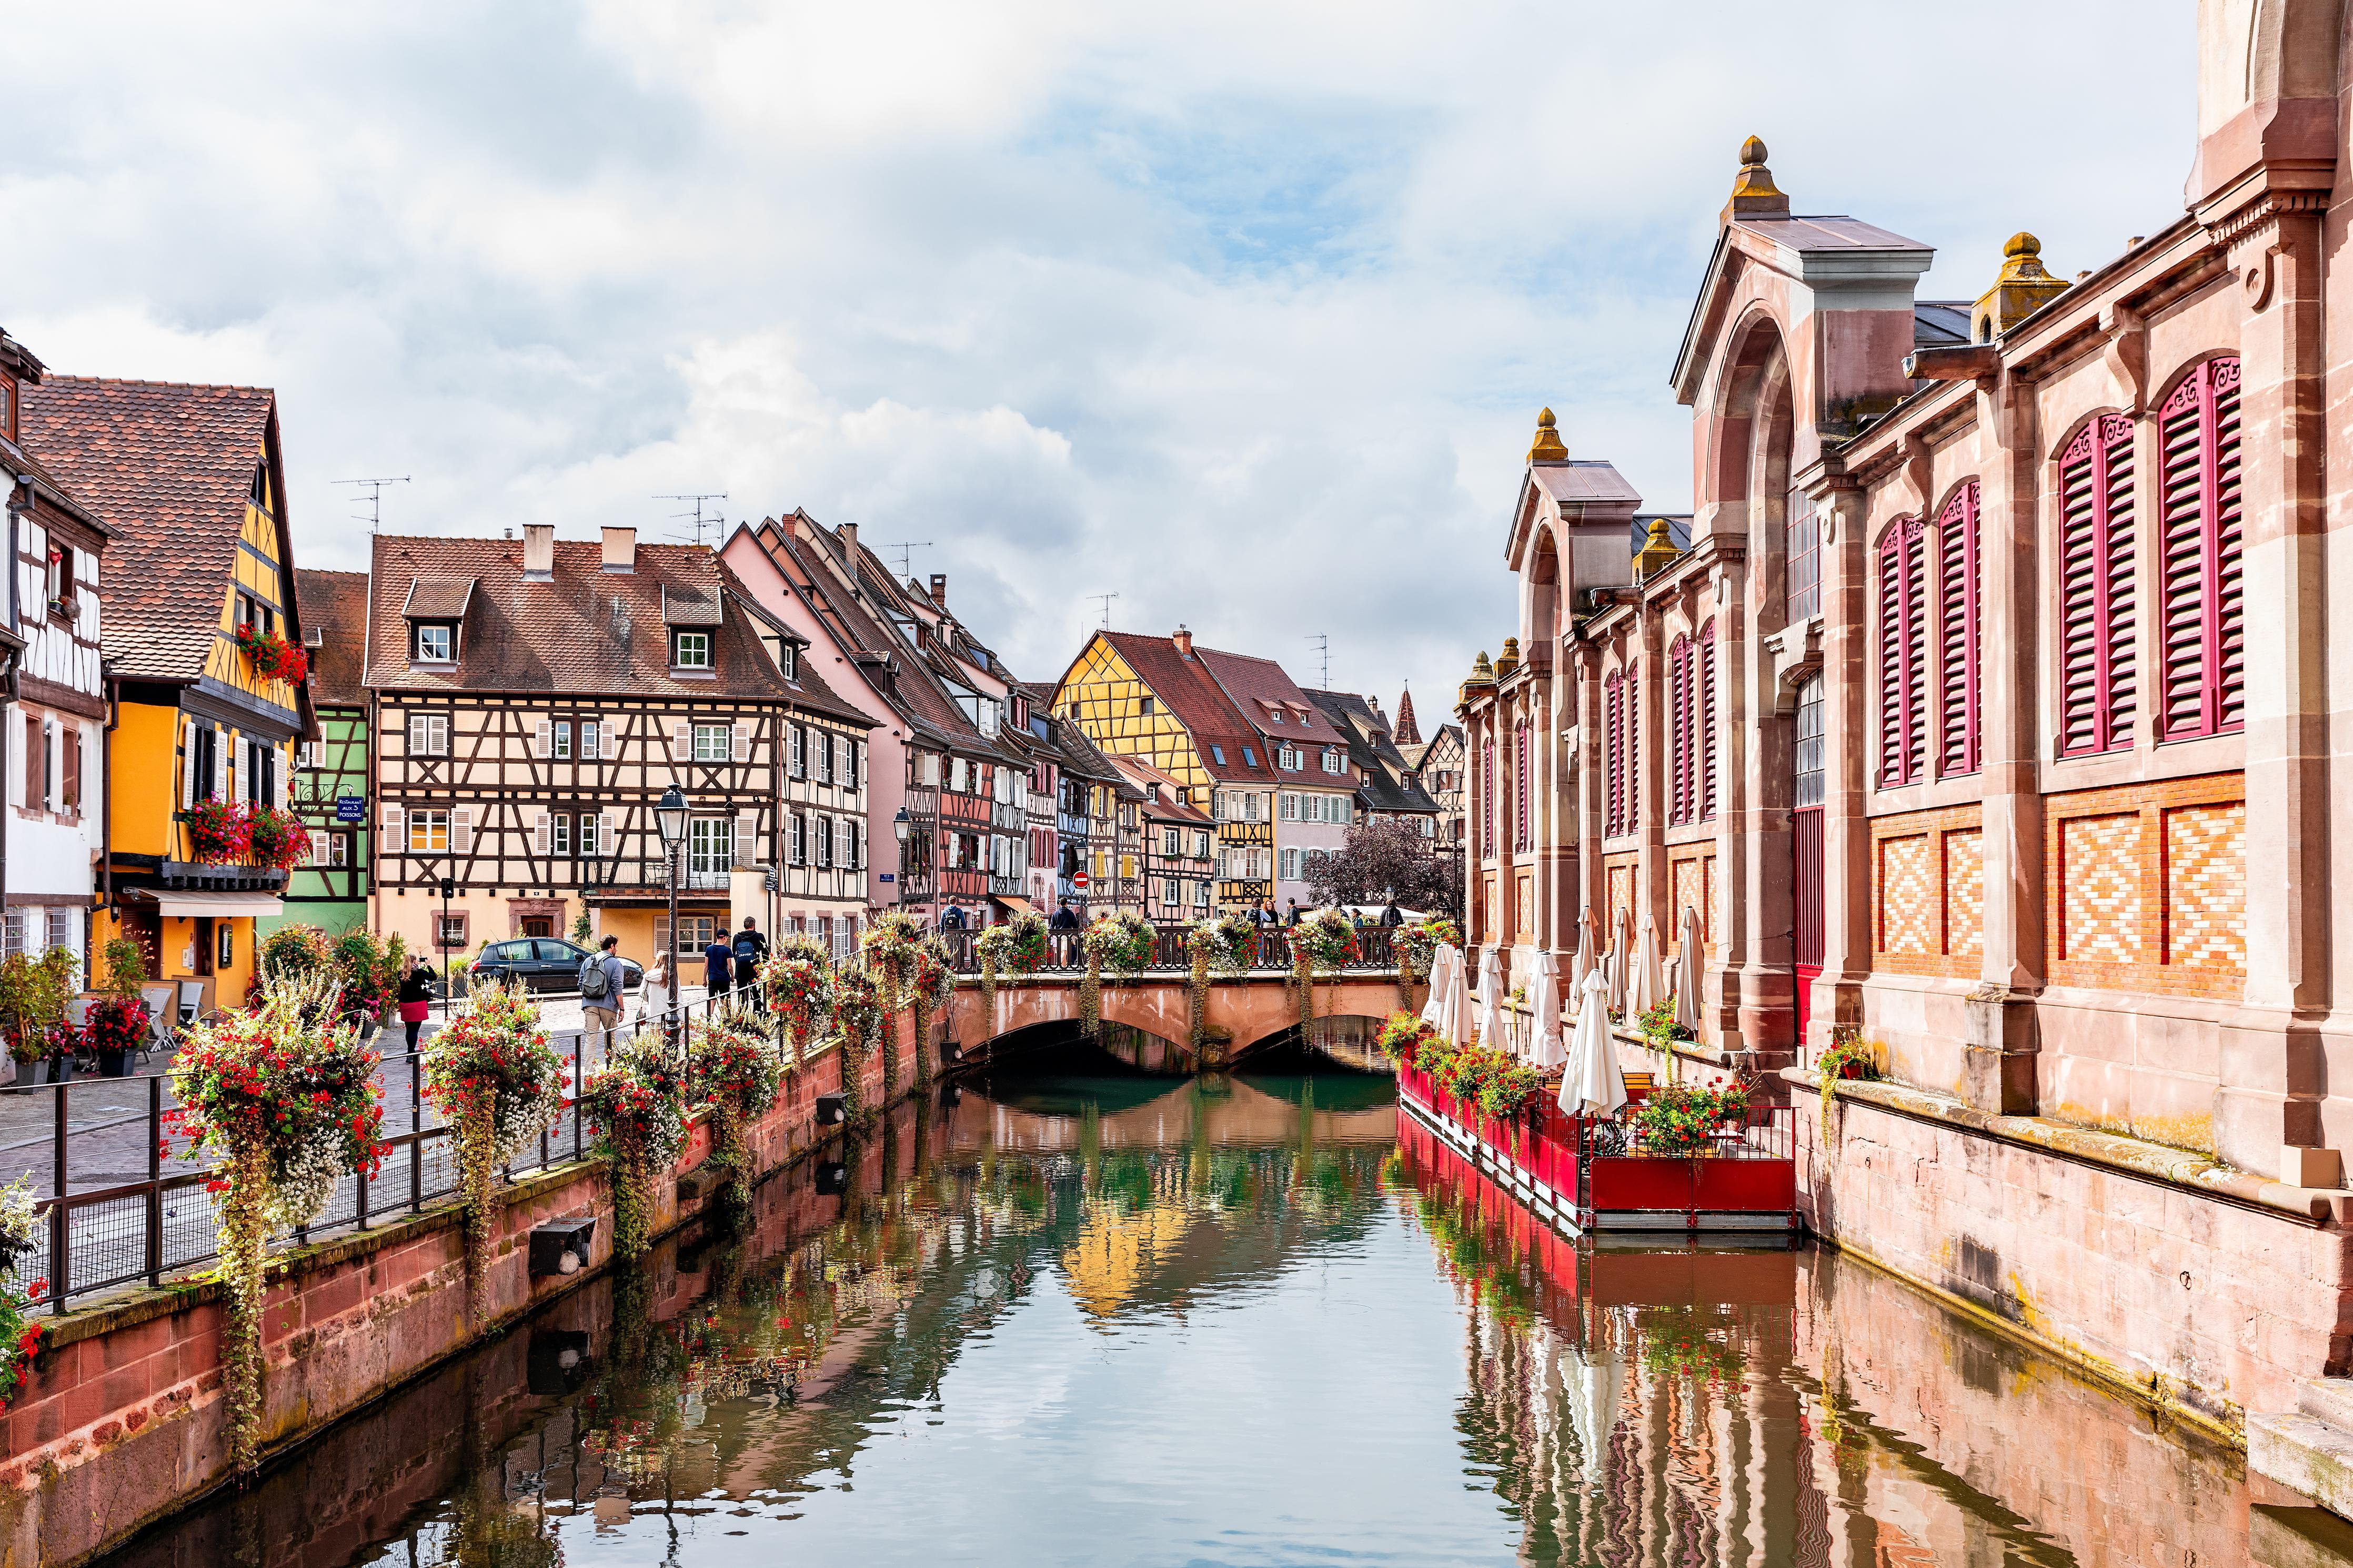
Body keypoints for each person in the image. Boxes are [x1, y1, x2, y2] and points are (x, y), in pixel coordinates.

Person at [581, 936, 626, 1058]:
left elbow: (581, 983)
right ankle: (610, 1070)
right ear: (612, 946)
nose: (617, 949)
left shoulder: (588, 960)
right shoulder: (616, 963)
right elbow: (617, 987)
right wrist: (622, 1008)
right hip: (609, 1006)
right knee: (610, 1039)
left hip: (590, 1004)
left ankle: (589, 1073)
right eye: (616, 946)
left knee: (590, 1039)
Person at [397, 957, 437, 1052]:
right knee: (415, 1030)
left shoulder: (401, 973)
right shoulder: (420, 972)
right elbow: (433, 977)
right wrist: (428, 965)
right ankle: (411, 1052)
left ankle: (410, 1051)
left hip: (405, 1004)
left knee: (409, 1030)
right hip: (418, 1004)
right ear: (415, 961)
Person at [637, 947, 675, 1028]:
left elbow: (642, 993)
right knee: (668, 1038)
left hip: (652, 1013)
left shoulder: (649, 975)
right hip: (668, 1014)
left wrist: (650, 999)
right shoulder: (672, 976)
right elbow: (677, 995)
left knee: (654, 1038)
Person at [732, 916, 768, 998]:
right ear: (754, 925)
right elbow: (766, 953)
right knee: (756, 992)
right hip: (755, 968)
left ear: (744, 926)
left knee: (741, 994)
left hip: (741, 969)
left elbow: (734, 952)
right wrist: (763, 965)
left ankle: (743, 1010)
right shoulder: (759, 936)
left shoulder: (737, 937)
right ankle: (757, 1009)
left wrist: (739, 962)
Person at [703, 930, 735, 1002]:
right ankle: (724, 1013)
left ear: (716, 937)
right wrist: (732, 976)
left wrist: (704, 979)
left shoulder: (709, 949)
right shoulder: (727, 950)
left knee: (712, 1000)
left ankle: (710, 1013)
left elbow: (706, 966)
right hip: (724, 978)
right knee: (725, 1001)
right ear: (725, 938)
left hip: (713, 978)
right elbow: (730, 967)